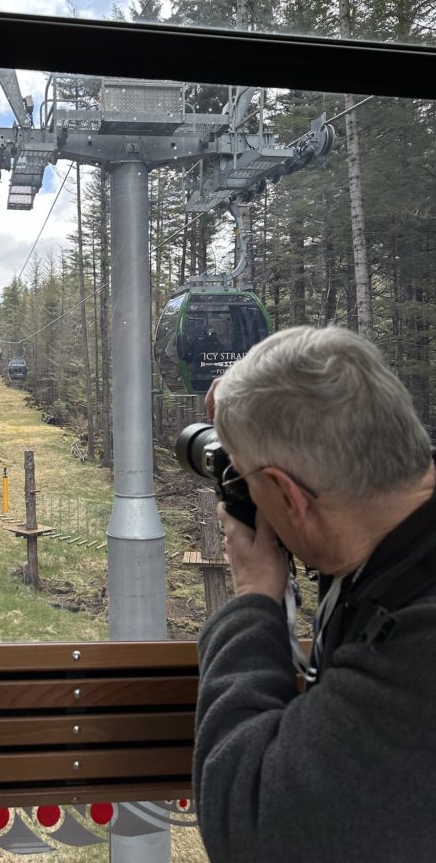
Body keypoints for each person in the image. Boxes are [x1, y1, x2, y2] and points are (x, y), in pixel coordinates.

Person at [193, 325, 436, 863]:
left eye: (250, 483)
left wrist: (254, 597)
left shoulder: (417, 653)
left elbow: (249, 821)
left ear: (287, 495)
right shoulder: (402, 537)